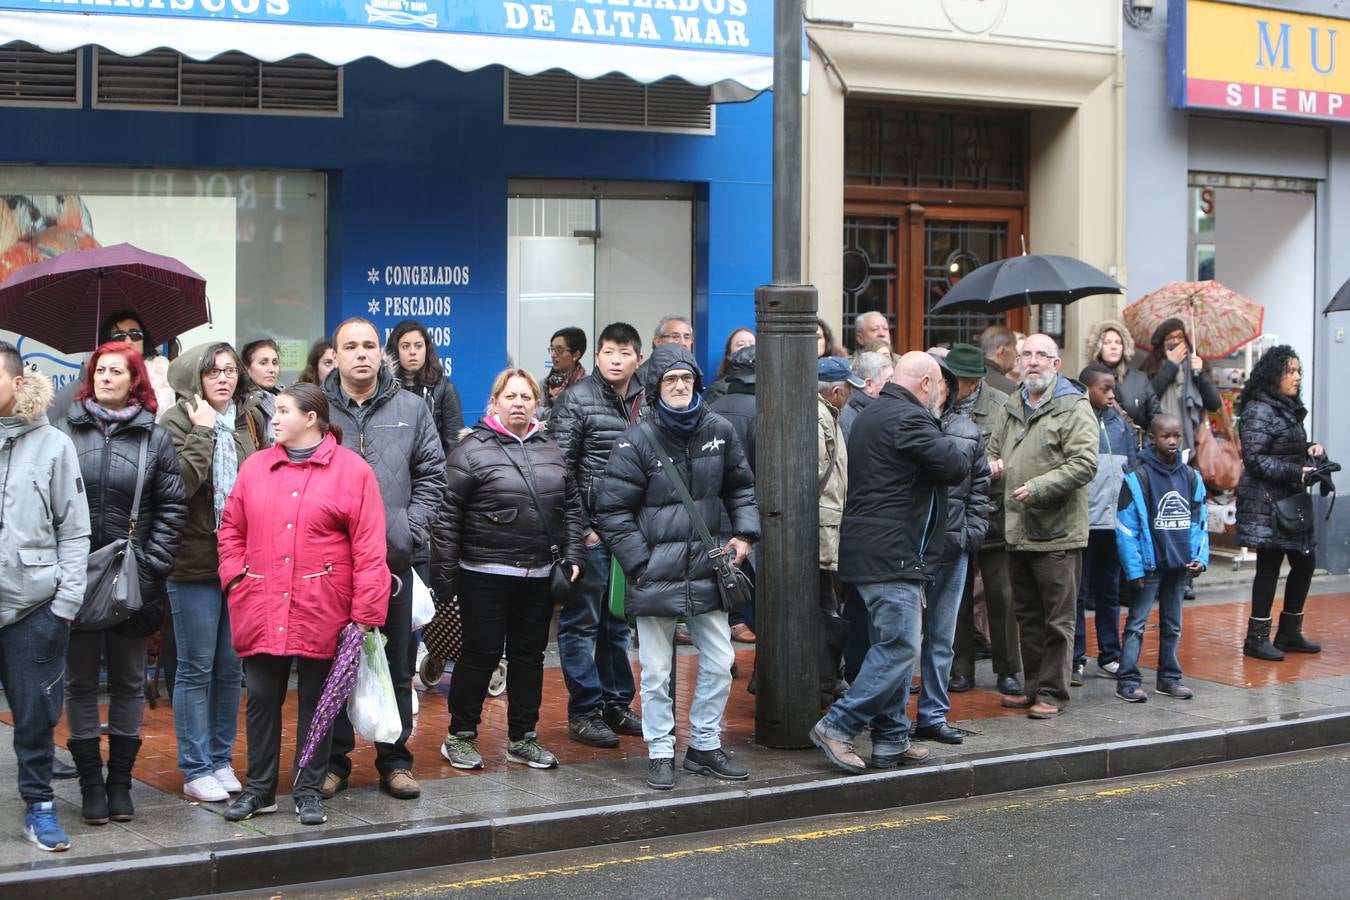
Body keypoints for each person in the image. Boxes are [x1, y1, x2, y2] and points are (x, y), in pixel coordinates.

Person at [217, 384, 390, 826]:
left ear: (311, 418)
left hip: (324, 606)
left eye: (283, 411)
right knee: (260, 696)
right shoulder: (256, 466)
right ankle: (259, 789)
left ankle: (309, 789)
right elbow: (230, 529)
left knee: (319, 700)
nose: (273, 419)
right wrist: (235, 577)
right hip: (261, 600)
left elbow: (370, 548)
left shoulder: (353, 471)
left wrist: (365, 614)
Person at [596, 344, 759, 790]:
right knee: (656, 671)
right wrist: (640, 563)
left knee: (722, 659)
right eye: (671, 380)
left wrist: (744, 535)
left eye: (687, 379)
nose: (681, 387)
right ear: (656, 388)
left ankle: (704, 744)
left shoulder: (720, 430)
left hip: (707, 570)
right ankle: (661, 750)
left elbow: (741, 487)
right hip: (655, 574)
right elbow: (612, 511)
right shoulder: (636, 441)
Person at [811, 352, 974, 774]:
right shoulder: (910, 417)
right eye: (939, 386)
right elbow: (955, 465)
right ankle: (838, 725)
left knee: (882, 648)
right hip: (893, 553)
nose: (940, 394)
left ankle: (891, 739)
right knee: (901, 647)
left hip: (867, 550)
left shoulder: (872, 414)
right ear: (926, 384)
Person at [56, 343, 186, 827]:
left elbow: (172, 509)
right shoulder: (65, 431)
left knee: (130, 683)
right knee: (81, 682)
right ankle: (91, 783)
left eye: (118, 371)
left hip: (135, 581)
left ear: (136, 380)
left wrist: (151, 566)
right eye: (100, 370)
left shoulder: (156, 439)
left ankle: (120, 784)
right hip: (77, 577)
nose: (107, 377)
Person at [433, 369, 584, 772]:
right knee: (479, 656)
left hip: (537, 575)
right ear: (494, 401)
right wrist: (444, 578)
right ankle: (459, 736)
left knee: (529, 658)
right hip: (483, 574)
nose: (519, 403)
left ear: (537, 404)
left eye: (526, 397)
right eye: (510, 396)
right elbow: (447, 518)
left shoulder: (550, 447)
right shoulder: (470, 450)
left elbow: (571, 507)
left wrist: (573, 556)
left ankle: (523, 737)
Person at [322, 318, 446, 801]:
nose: (361, 354)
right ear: (335, 354)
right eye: (350, 346)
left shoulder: (412, 408)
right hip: (332, 563)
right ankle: (333, 762)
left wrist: (409, 531)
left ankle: (395, 761)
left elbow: (433, 475)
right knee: (335, 664)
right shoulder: (317, 407)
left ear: (381, 352)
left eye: (369, 346)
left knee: (396, 664)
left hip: (391, 560)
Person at [161, 342, 268, 802]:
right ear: (194, 378)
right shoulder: (175, 423)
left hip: (240, 562)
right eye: (212, 372)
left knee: (230, 668)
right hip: (192, 563)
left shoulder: (249, 420)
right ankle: (195, 765)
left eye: (229, 370)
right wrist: (203, 434)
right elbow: (180, 486)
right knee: (195, 668)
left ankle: (221, 760)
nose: (223, 379)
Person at [0, 344, 90, 851]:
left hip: (34, 603)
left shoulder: (53, 444)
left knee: (35, 715)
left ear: (16, 383)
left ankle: (39, 805)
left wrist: (65, 604)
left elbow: (75, 530)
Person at [987, 334, 1098, 720]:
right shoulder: (1012, 404)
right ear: (1016, 362)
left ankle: (1053, 693)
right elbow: (992, 448)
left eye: (1041, 355)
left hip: (1056, 532)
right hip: (1017, 530)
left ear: (1056, 364)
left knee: (1058, 621)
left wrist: (1037, 488)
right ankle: (1033, 686)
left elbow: (1085, 463)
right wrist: (992, 464)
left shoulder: (1073, 406)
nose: (1032, 362)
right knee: (1029, 617)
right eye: (1026, 355)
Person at [548, 322, 646, 747]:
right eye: (608, 352)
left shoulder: (647, 399)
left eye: (624, 353)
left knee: (618, 623)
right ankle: (585, 710)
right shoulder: (577, 398)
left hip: (631, 533)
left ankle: (616, 703)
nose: (616, 360)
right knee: (581, 623)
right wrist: (581, 531)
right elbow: (560, 471)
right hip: (592, 533)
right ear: (598, 356)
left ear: (637, 359)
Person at [913, 352, 990, 746]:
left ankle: (932, 714)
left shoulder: (967, 430)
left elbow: (980, 490)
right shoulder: (907, 423)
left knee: (941, 636)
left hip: (953, 546)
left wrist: (970, 534)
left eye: (940, 379)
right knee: (904, 636)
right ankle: (890, 716)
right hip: (909, 547)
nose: (933, 386)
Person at [1236, 346, 1325, 660]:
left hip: (1289, 499)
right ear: (1274, 374)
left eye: (1299, 371)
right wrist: (1295, 471)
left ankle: (1289, 633)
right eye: (1291, 371)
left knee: (1305, 561)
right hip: (1266, 502)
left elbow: (1287, 447)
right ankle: (1256, 638)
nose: (1297, 377)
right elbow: (1255, 459)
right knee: (1269, 565)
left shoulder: (1287, 406)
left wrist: (1311, 449)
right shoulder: (1258, 409)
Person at [1114, 414, 1209, 703]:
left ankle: (1169, 678)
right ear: (1152, 438)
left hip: (1179, 564)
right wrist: (1133, 569)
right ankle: (1127, 680)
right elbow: (1125, 527)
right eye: (1165, 436)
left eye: (1177, 436)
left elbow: (1200, 520)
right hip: (1149, 565)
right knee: (1136, 625)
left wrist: (1200, 557)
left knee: (1173, 624)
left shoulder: (1191, 477)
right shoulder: (1138, 477)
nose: (1172, 441)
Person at [947, 343, 1020, 696]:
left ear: (974, 382)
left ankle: (1009, 669)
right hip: (952, 514)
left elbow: (1013, 455)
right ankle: (960, 669)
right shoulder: (938, 402)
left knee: (1001, 595)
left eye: (957, 380)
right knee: (955, 593)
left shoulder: (1002, 405)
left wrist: (997, 468)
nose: (950, 384)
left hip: (993, 513)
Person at [1072, 364, 1135, 685]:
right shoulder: (1076, 421)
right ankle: (1076, 656)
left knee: (1109, 591)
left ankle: (1110, 654)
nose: (1111, 395)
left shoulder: (1122, 427)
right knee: (1078, 593)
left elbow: (1131, 471)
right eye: (1104, 389)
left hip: (1113, 525)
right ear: (1087, 390)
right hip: (1084, 522)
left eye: (1114, 389)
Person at [816, 357, 862, 702]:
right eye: (849, 388)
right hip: (821, 531)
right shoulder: (821, 418)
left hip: (824, 528)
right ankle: (824, 680)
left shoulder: (825, 415)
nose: (851, 396)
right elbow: (817, 479)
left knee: (824, 605)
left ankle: (825, 679)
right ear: (836, 391)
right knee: (825, 608)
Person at [709, 344, 759, 641]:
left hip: (712, 517)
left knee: (718, 602)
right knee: (752, 596)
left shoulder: (711, 409)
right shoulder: (763, 411)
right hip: (749, 519)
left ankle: (723, 661)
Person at [53, 308, 177, 420]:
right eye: (119, 336)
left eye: (135, 335)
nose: (128, 341)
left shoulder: (166, 380)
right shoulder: (71, 394)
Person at [385, 319, 465, 462]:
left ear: (426, 349)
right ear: (395, 350)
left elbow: (454, 444)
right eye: (405, 346)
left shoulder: (444, 388)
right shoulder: (384, 387)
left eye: (418, 346)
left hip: (432, 471)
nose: (413, 352)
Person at [1140, 318, 1222, 456]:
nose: (1176, 341)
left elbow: (1214, 403)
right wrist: (1171, 366)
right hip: (1158, 445)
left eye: (1180, 337)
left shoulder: (1196, 364)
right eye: (1170, 338)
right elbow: (1147, 399)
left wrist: (1201, 373)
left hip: (1194, 442)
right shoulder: (1151, 366)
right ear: (1162, 344)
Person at [1085, 318, 1160, 433]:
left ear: (1124, 346)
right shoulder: (1088, 380)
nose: (1114, 347)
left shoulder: (1140, 379)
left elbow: (1156, 417)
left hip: (1135, 447)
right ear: (1098, 347)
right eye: (1107, 343)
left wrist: (1145, 445)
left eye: (1118, 342)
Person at [839, 350, 892, 442]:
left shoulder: (883, 410)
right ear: (869, 385)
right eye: (888, 380)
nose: (894, 385)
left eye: (893, 378)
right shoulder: (847, 420)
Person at [241, 339, 282, 442]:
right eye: (263, 363)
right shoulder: (244, 404)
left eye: (275, 362)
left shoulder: (286, 398)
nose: (272, 369)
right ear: (247, 369)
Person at [706, 327, 756, 405]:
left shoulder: (769, 384)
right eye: (740, 344)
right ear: (729, 354)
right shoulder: (718, 388)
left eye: (752, 344)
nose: (747, 348)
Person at [543, 326, 587, 413]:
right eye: (552, 349)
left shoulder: (587, 386)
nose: (553, 354)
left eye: (559, 350)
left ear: (575, 355)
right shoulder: (545, 384)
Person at [978, 324, 1018, 394]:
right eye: (1014, 348)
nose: (1017, 353)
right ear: (1002, 352)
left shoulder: (966, 379)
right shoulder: (1009, 388)